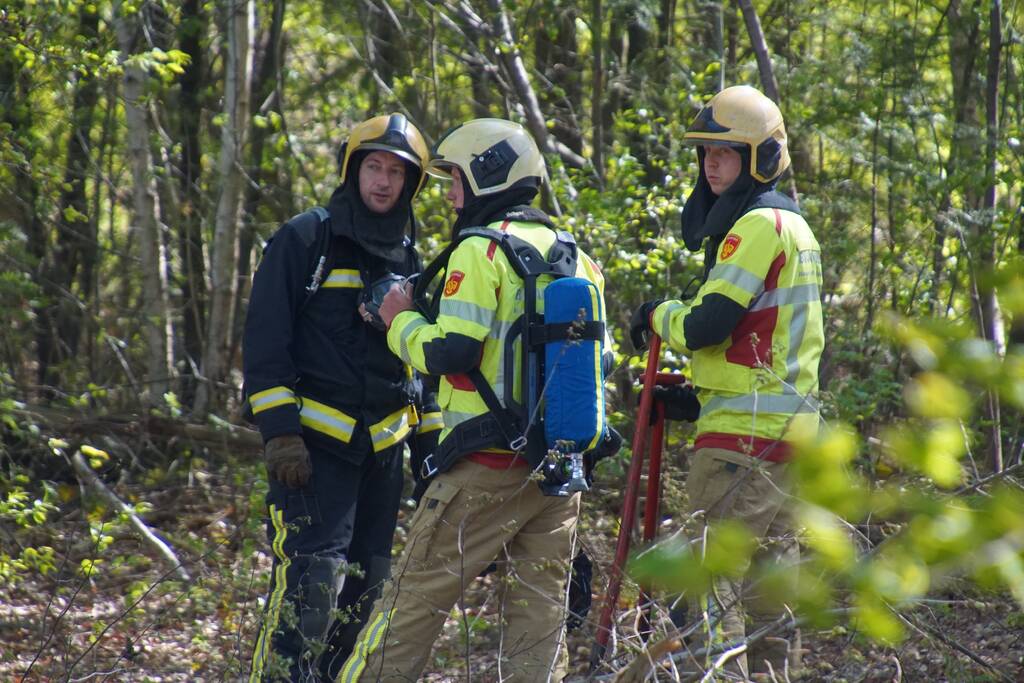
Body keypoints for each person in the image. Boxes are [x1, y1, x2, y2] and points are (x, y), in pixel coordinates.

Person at [338, 119, 610, 682]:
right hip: (558, 476)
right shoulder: (577, 256)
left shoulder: (480, 252)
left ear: (488, 177)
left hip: (483, 472)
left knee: (406, 612)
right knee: (540, 626)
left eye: (456, 180)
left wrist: (398, 319)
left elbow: (448, 352)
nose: (451, 194)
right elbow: (601, 364)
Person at [629, 85, 823, 679]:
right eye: (706, 152)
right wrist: (694, 398)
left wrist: (656, 314)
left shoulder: (757, 224)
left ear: (761, 157)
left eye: (726, 153)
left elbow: (707, 323)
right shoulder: (797, 228)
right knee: (771, 601)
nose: (711, 164)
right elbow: (763, 344)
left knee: (704, 589)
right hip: (789, 437)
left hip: (741, 442)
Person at [243, 113, 442, 682]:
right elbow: (264, 343)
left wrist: (429, 449)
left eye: (397, 173)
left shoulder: (411, 256)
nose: (383, 181)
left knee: (366, 591)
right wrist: (281, 435)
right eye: (373, 167)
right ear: (353, 171)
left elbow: (419, 362)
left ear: (411, 184)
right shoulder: (305, 238)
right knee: (311, 588)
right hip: (312, 457)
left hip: (383, 460)